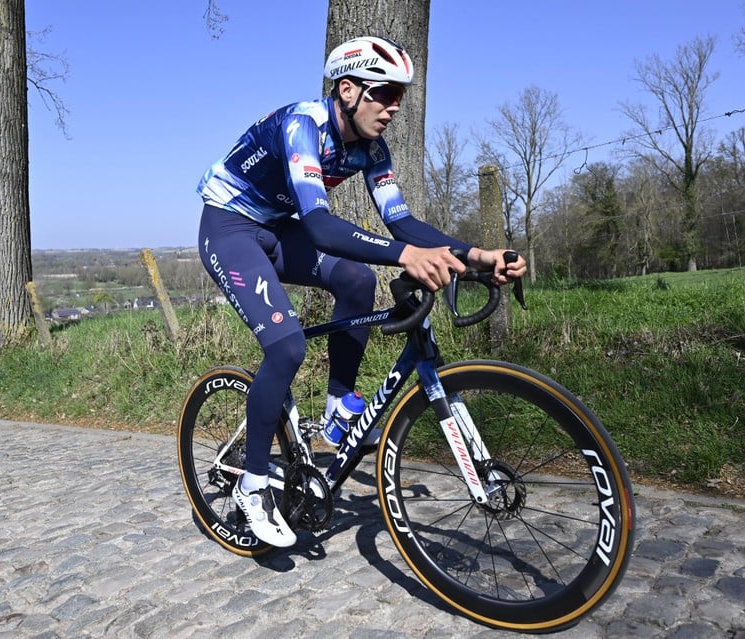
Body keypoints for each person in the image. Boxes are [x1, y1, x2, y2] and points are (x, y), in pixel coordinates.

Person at [196, 36, 527, 548]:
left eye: (400, 97)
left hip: (276, 228)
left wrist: (475, 255)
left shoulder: (371, 149)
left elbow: (403, 223)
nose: (393, 108)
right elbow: (321, 227)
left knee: (358, 279)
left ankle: (338, 407)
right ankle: (253, 485)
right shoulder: (303, 126)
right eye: (385, 94)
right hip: (230, 227)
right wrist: (408, 257)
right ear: (348, 90)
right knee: (286, 347)